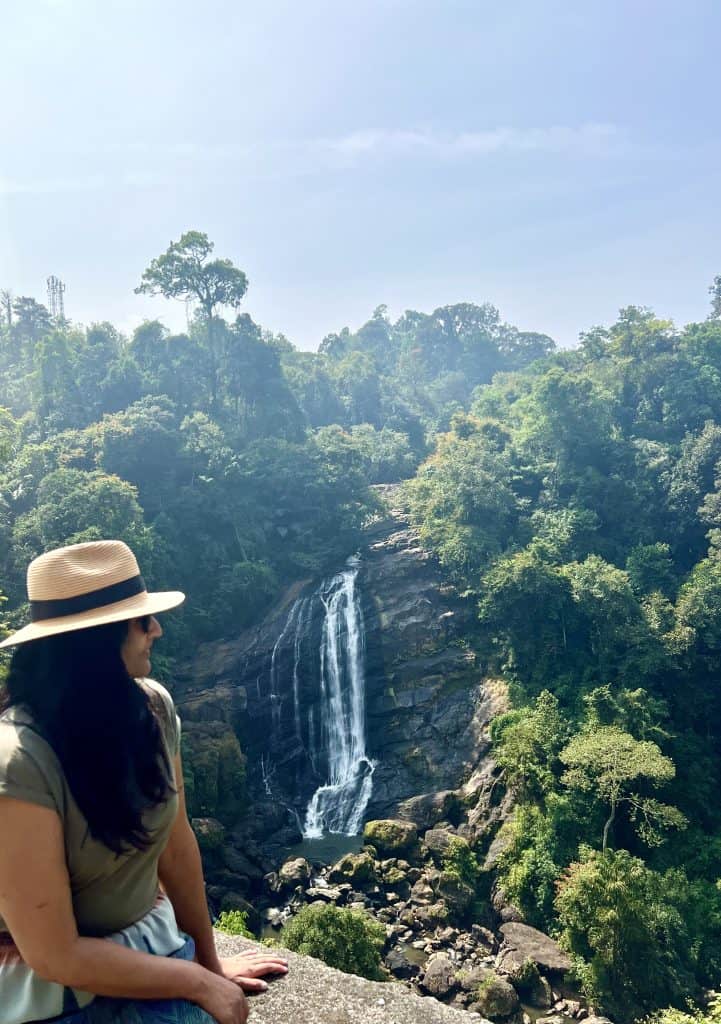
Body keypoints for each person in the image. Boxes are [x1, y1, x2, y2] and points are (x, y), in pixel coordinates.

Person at [0, 539, 288, 1024]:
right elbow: (55, 954)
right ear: (93, 642)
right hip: (52, 995)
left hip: (155, 952)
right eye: (140, 621)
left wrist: (209, 963)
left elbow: (177, 845)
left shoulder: (152, 709)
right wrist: (197, 982)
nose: (156, 629)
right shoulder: (18, 761)